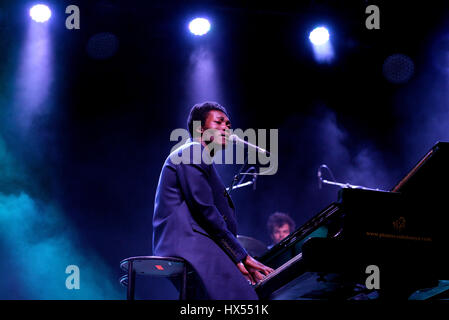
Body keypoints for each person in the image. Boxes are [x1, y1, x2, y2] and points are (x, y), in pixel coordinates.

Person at [152, 101, 273, 300]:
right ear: (200, 129)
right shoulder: (192, 151)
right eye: (219, 122)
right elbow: (205, 210)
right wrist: (241, 255)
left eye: (228, 124)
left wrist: (236, 257)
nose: (226, 127)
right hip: (188, 244)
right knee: (243, 300)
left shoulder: (199, 157)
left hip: (193, 243)